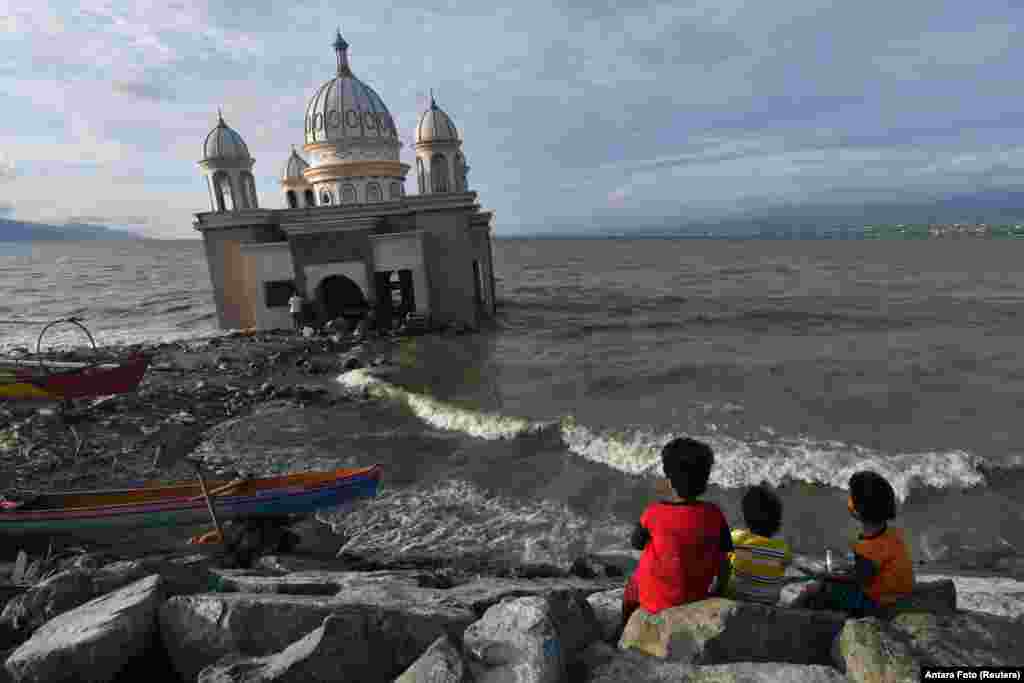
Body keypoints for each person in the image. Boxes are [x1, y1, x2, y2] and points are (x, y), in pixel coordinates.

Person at [621, 437, 733, 634]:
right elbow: (724, 562)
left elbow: (636, 543)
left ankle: (624, 629)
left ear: (669, 478)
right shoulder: (715, 514)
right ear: (705, 479)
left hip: (654, 605)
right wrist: (719, 592)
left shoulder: (653, 512)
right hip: (694, 602)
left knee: (633, 584)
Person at [793, 470, 914, 616]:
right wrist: (845, 568)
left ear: (859, 509)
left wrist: (824, 575)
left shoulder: (869, 546)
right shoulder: (891, 534)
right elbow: (871, 570)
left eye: (850, 496)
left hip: (880, 603)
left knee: (817, 589)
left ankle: (789, 616)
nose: (848, 499)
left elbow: (861, 579)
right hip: (896, 596)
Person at [723, 485, 793, 604]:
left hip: (735, 599)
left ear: (746, 517)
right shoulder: (782, 548)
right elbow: (785, 565)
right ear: (777, 523)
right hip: (768, 602)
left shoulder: (737, 538)